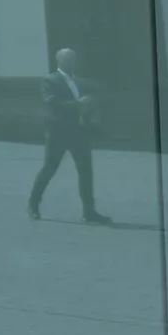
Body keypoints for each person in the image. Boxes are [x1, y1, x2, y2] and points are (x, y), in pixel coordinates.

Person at [26, 48, 110, 224]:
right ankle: (33, 205)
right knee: (49, 169)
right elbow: (52, 104)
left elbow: (92, 98)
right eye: (67, 59)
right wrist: (78, 104)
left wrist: (91, 105)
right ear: (59, 60)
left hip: (79, 132)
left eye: (73, 58)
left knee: (86, 171)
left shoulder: (79, 81)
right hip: (58, 133)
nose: (70, 62)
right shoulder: (51, 80)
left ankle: (89, 211)